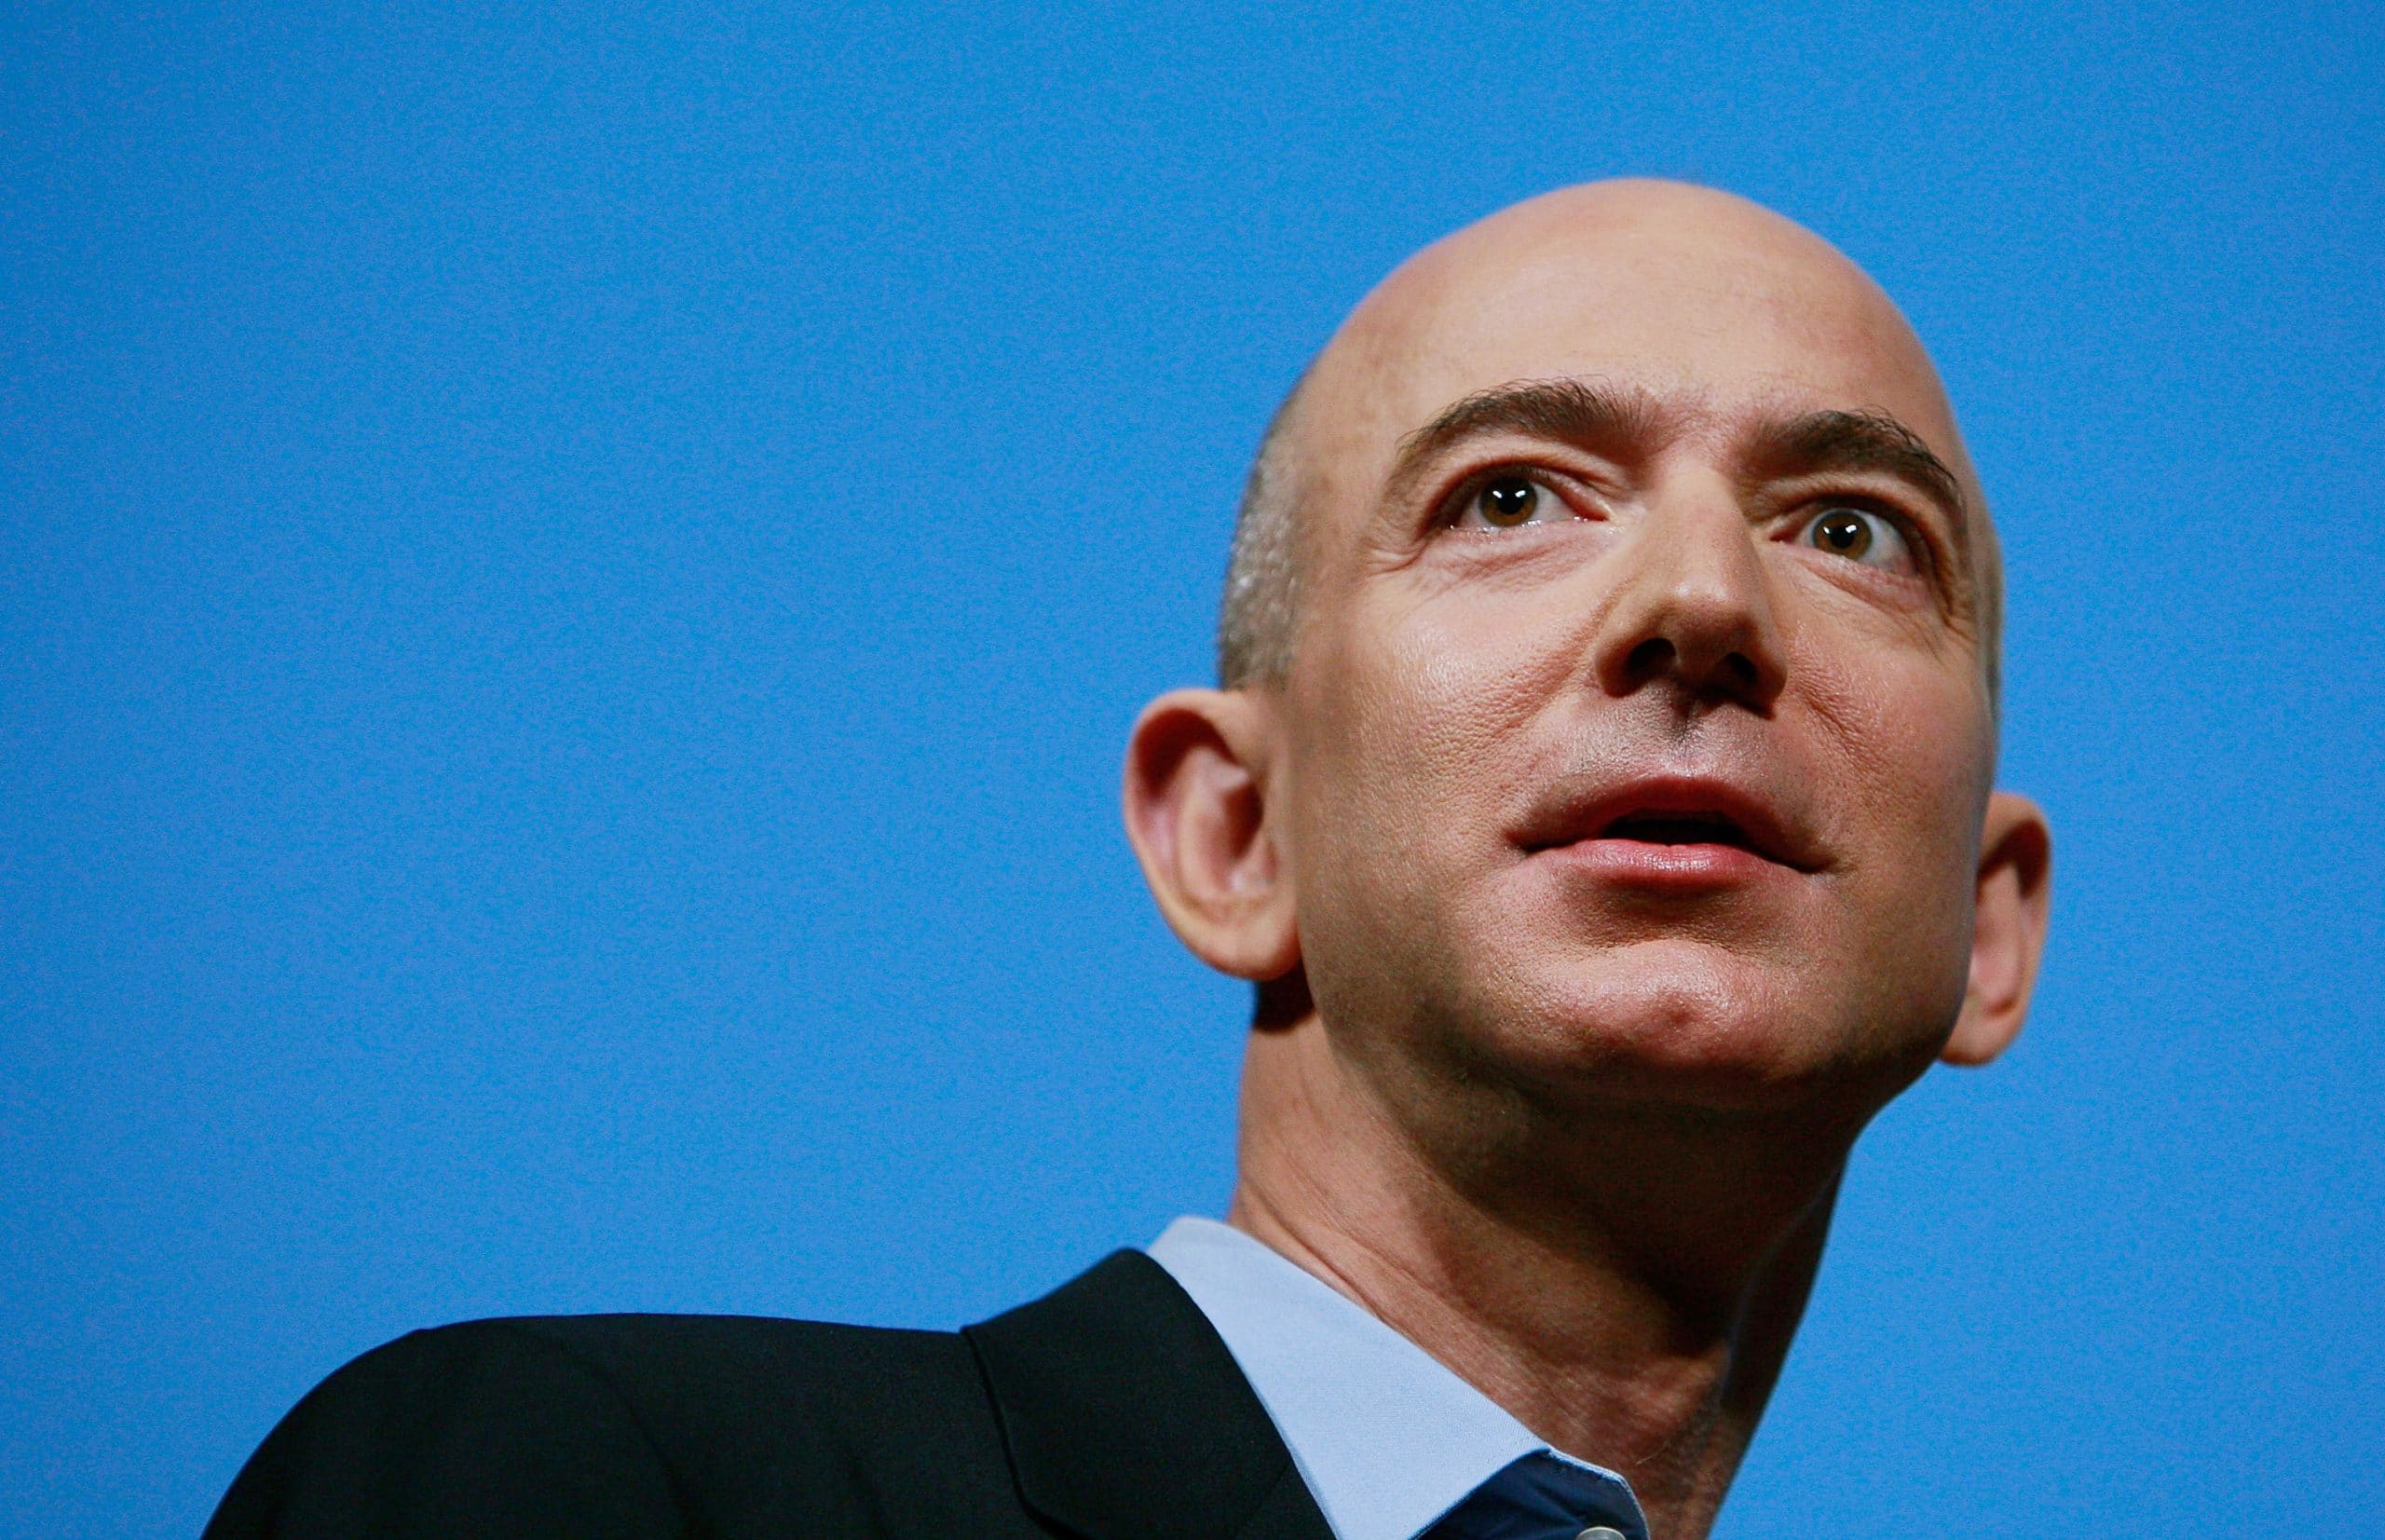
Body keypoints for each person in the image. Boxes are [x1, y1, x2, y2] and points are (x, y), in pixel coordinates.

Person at [204, 179, 2052, 1540]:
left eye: (1852, 528)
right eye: (1506, 495)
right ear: (1232, 830)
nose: (1706, 599)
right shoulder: (592, 1483)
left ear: (1987, 926)